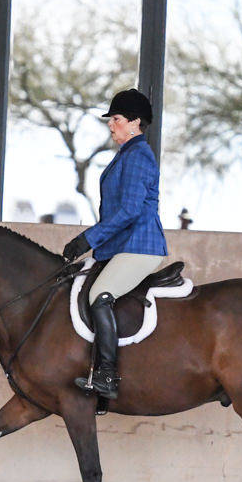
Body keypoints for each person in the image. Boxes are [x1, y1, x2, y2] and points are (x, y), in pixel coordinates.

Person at [61, 88, 168, 400]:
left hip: (140, 246)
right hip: (123, 245)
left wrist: (87, 239)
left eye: (117, 119)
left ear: (134, 122)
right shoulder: (127, 154)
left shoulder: (138, 156)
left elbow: (130, 211)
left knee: (99, 294)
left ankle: (107, 375)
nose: (111, 125)